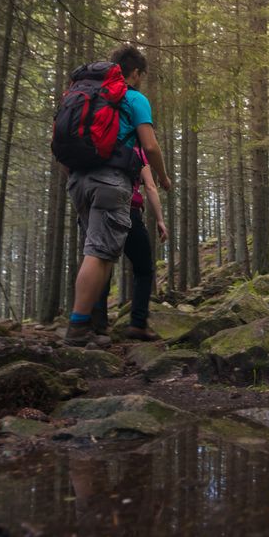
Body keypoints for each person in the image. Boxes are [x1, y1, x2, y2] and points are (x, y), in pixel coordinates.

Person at [64, 45, 171, 347]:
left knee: (97, 253)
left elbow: (59, 144)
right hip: (111, 181)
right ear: (135, 73)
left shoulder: (85, 96)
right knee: (99, 254)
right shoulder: (134, 98)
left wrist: (76, 178)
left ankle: (92, 327)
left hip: (78, 179)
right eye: (141, 75)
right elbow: (149, 147)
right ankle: (78, 327)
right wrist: (162, 177)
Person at [91, 148, 167, 342]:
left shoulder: (100, 148)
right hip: (129, 210)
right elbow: (150, 186)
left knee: (101, 264)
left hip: (100, 211)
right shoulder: (136, 151)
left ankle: (97, 325)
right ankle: (138, 324)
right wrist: (160, 220)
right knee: (143, 269)